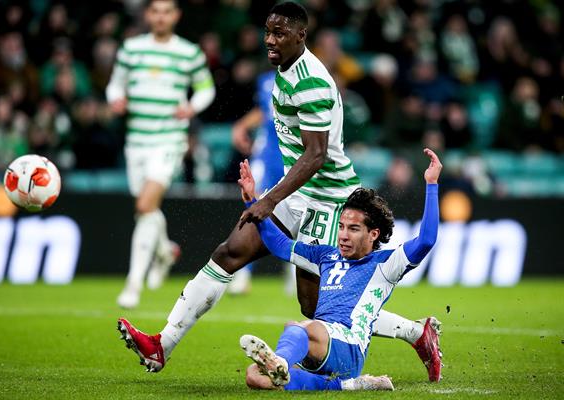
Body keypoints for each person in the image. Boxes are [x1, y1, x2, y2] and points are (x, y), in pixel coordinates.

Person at [117, 2, 441, 382]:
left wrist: (268, 199)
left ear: (301, 35)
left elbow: (316, 154)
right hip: (296, 192)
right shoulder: (284, 70)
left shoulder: (312, 81)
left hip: (329, 199)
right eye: (267, 32)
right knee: (230, 252)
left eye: (280, 33)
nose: (270, 40)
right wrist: (269, 196)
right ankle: (162, 345)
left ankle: (417, 333)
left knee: (315, 307)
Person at [238, 147, 441, 391]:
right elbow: (280, 245)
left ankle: (280, 361)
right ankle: (347, 385)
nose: (343, 235)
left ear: (372, 234)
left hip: (349, 346)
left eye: (353, 229)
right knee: (254, 376)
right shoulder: (326, 256)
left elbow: (427, 240)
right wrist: (253, 201)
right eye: (342, 226)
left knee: (297, 327)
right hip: (321, 345)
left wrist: (432, 185)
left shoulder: (386, 264)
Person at [106, 0, 215, 309]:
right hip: (136, 142)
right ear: (148, 15)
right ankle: (165, 250)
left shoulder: (188, 52)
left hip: (168, 141)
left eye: (167, 11)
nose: (161, 17)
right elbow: (115, 85)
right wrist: (116, 100)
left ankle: (133, 285)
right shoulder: (131, 49)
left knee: (144, 205)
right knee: (147, 211)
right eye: (156, 11)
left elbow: (206, 88)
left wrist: (191, 107)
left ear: (176, 16)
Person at [228, 69, 293, 295]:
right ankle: (243, 273)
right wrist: (242, 125)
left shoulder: (310, 77)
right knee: (253, 208)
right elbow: (266, 112)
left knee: (297, 212)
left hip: (295, 158)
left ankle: (295, 271)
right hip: (267, 156)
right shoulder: (265, 80)